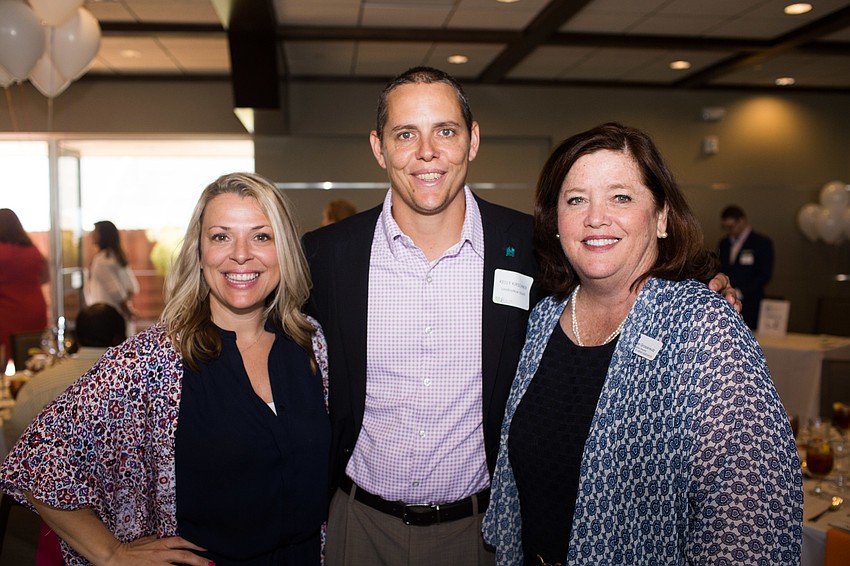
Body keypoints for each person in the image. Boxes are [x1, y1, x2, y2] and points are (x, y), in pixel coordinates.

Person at [302, 67, 738, 565]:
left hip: (480, 533)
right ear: (380, 148)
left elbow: (617, 259)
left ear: (472, 141)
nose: (428, 152)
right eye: (406, 134)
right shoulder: (326, 256)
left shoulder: (529, 246)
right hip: (360, 526)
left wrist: (704, 281)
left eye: (446, 131)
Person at [482, 123, 802, 565]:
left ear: (662, 216)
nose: (596, 217)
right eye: (576, 199)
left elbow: (750, 525)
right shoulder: (543, 319)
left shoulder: (704, 328)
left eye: (621, 197)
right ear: (555, 221)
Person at [1, 172, 331, 566]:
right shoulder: (153, 361)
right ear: (199, 250)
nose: (240, 254)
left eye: (262, 236)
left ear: (285, 250)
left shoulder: (312, 345)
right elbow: (37, 458)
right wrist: (111, 553)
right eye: (221, 236)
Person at [4, 303, 127, 449]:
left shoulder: (40, 385)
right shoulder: (135, 383)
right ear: (120, 338)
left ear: (76, 338)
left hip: (50, 468)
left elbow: (15, 431)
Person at [0, 208, 48, 364]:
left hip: (7, 311)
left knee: (4, 359)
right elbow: (45, 278)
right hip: (35, 310)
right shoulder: (33, 250)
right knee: (30, 357)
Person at [718, 204, 774, 329]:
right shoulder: (724, 243)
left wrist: (742, 291)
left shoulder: (761, 243)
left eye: (731, 226)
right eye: (726, 227)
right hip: (727, 301)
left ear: (741, 221)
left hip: (751, 303)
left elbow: (764, 274)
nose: (729, 230)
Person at [85, 220, 140, 333]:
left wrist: (127, 310)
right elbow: (133, 287)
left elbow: (116, 292)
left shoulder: (102, 260)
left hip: (106, 318)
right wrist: (127, 308)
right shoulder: (117, 257)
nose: (92, 234)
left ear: (104, 235)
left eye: (96, 231)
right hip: (119, 317)